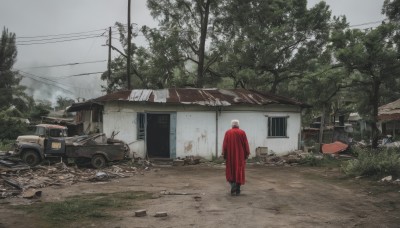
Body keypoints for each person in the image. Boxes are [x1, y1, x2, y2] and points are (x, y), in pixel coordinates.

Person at [222, 119, 250, 196]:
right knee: (239, 171)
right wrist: (246, 154)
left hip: (230, 156)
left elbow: (225, 145)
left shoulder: (228, 133)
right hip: (240, 156)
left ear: (232, 125)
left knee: (231, 171)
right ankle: (237, 189)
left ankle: (233, 185)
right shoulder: (242, 132)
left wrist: (224, 155)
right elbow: (246, 144)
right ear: (238, 125)